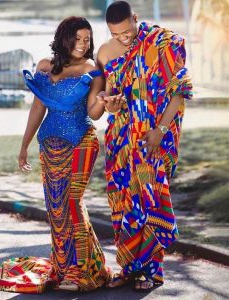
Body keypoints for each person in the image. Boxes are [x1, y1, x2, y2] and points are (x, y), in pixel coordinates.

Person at [0, 16, 112, 293]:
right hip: (49, 144)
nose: (83, 44)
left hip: (82, 141)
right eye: (78, 38)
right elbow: (37, 109)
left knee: (72, 203)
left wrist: (104, 100)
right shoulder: (44, 66)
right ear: (64, 38)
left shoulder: (92, 70)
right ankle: (67, 266)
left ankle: (83, 273)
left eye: (87, 39)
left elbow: (93, 112)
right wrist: (24, 146)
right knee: (56, 209)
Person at [96, 1, 193, 292]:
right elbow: (111, 100)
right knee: (123, 203)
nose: (124, 39)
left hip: (152, 137)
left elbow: (180, 92)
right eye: (117, 35)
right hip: (121, 141)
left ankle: (152, 270)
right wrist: (110, 104)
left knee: (148, 200)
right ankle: (127, 267)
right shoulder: (104, 52)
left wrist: (159, 131)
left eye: (127, 32)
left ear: (136, 18)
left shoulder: (165, 43)